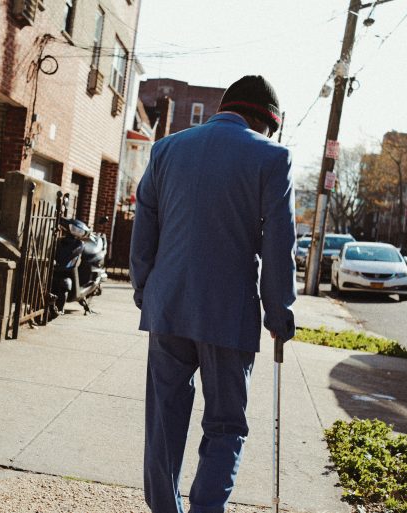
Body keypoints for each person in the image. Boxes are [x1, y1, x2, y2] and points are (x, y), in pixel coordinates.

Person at [130, 75, 297, 513]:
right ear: (265, 120)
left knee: (163, 425)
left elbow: (144, 220)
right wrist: (279, 311)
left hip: (167, 306)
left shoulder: (167, 148)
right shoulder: (272, 157)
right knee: (225, 425)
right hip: (228, 313)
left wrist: (144, 286)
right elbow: (278, 243)